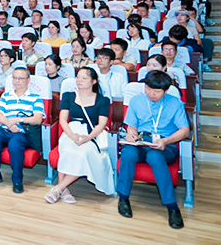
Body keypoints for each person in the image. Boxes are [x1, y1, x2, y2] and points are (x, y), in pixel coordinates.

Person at [117, 71, 190, 229]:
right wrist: (131, 134)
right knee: (128, 153)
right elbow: (131, 125)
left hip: (165, 144)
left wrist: (165, 141)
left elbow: (185, 130)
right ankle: (123, 198)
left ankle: (172, 206)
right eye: (148, 89)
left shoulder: (175, 103)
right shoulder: (136, 101)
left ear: (166, 90)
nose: (151, 94)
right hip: (142, 141)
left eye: (156, 91)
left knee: (155, 157)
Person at [46, 67, 113, 204]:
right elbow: (62, 119)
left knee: (82, 154)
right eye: (78, 77)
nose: (79, 80)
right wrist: (71, 135)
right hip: (70, 131)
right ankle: (62, 189)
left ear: (93, 81)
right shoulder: (69, 96)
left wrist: (88, 138)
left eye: (84, 78)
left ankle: (59, 188)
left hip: (90, 134)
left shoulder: (102, 100)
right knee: (67, 151)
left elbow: (102, 124)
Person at [0, 67, 45, 194]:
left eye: (21, 78)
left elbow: (38, 119)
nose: (17, 81)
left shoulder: (35, 98)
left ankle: (17, 180)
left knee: (14, 146)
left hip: (21, 132)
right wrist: (9, 124)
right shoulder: (6, 96)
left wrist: (18, 120)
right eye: (15, 78)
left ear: (28, 80)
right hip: (4, 129)